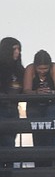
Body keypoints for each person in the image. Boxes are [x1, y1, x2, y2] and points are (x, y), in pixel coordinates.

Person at [22, 50, 55, 174]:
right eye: (40, 68)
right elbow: (26, 90)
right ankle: (39, 166)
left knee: (50, 129)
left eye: (45, 68)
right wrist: (36, 93)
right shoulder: (30, 69)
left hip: (53, 103)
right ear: (35, 66)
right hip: (35, 104)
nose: (42, 71)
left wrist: (50, 93)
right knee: (37, 132)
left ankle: (51, 161)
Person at [0, 37, 23, 166]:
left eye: (19, 49)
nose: (17, 52)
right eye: (14, 48)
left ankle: (9, 175)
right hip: (2, 107)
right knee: (5, 142)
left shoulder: (19, 69)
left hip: (13, 108)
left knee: (10, 143)